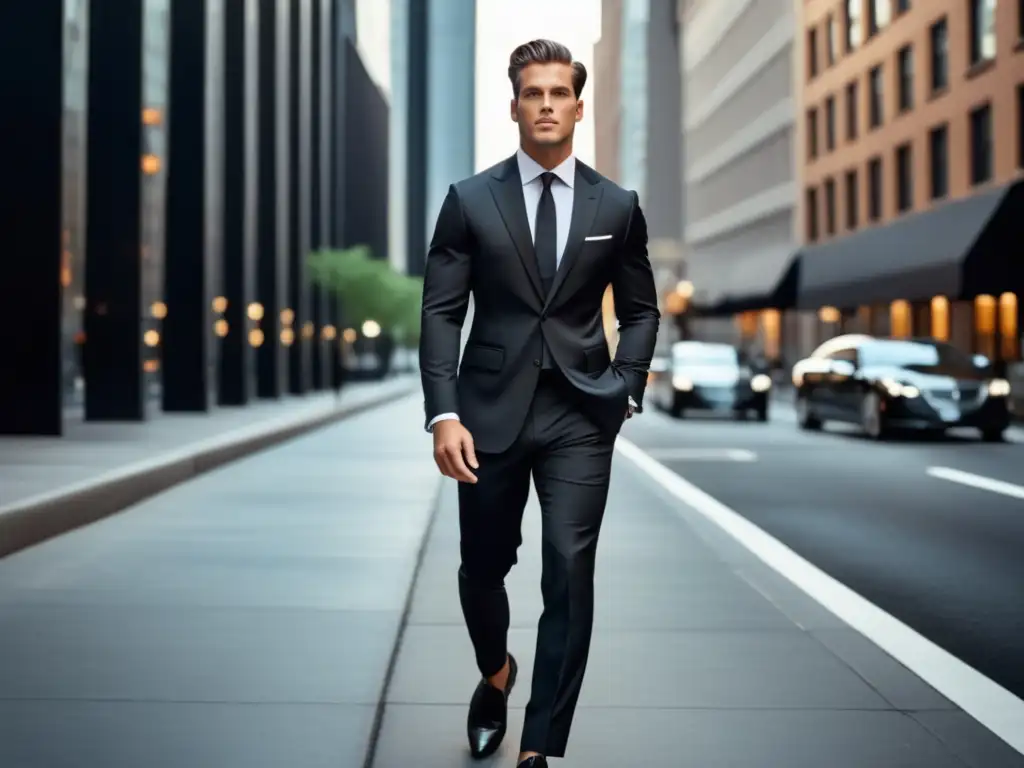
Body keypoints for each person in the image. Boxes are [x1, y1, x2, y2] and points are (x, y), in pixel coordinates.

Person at [419, 39, 659, 767]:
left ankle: (538, 748)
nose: (547, 104)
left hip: (581, 415)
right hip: (486, 413)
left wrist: (626, 386)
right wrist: (444, 412)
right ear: (515, 104)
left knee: (569, 570)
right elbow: (439, 313)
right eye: (534, 93)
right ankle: (496, 673)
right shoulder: (469, 200)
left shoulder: (616, 206)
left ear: (579, 107)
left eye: (560, 93)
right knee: (482, 566)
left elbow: (643, 309)